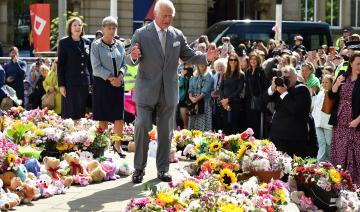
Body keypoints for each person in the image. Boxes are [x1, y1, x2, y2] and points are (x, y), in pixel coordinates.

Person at [126, 0, 218, 183]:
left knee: (166, 131)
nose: (168, 19)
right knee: (142, 125)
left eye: (170, 16)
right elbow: (129, 59)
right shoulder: (141, 34)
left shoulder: (177, 35)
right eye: (165, 16)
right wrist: (133, 56)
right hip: (146, 90)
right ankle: (139, 168)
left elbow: (190, 56)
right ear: (155, 15)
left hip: (168, 90)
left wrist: (205, 58)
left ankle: (162, 170)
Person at [91, 16, 127, 158]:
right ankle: (104, 145)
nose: (111, 31)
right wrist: (111, 78)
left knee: (119, 117)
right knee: (103, 116)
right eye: (109, 28)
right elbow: (96, 67)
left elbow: (124, 64)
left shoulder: (120, 45)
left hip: (118, 84)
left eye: (114, 28)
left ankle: (117, 145)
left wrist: (120, 77)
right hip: (102, 84)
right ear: (103, 28)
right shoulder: (96, 45)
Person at [329, 51, 360, 184]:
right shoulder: (343, 77)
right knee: (340, 151)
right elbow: (332, 95)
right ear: (351, 64)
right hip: (340, 121)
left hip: (355, 122)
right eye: (358, 63)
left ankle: (354, 184)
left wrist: (358, 120)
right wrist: (336, 84)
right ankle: (339, 181)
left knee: (354, 154)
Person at [268, 66, 312, 157]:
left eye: (287, 77)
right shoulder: (281, 88)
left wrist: (284, 93)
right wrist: (272, 89)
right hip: (278, 136)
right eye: (283, 77)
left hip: (293, 139)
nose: (285, 80)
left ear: (295, 76)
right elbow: (265, 101)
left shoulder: (302, 89)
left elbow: (294, 109)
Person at [57, 17, 92, 120]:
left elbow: (89, 63)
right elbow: (61, 65)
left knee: (81, 111)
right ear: (70, 28)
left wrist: (91, 82)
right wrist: (62, 84)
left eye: (79, 25)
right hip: (70, 83)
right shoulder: (64, 42)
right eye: (75, 25)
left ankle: (79, 135)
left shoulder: (87, 42)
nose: (77, 27)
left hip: (84, 82)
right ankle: (69, 135)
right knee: (70, 111)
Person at [244, 52, 269, 138]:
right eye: (251, 59)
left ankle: (257, 139)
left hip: (258, 101)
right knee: (249, 121)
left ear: (258, 61)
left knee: (257, 122)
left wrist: (261, 97)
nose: (253, 61)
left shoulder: (261, 71)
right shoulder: (248, 71)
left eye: (255, 59)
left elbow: (265, 86)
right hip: (248, 101)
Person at [219, 53, 245, 134]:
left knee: (234, 124)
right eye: (231, 60)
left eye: (235, 60)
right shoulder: (225, 74)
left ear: (237, 61)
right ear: (228, 61)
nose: (233, 62)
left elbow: (239, 89)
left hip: (235, 102)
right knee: (225, 124)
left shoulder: (241, 74)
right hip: (224, 103)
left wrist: (228, 99)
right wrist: (223, 100)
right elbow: (221, 88)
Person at [312, 74, 334, 162]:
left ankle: (330, 163)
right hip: (318, 123)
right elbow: (316, 108)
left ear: (332, 83)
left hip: (328, 124)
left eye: (327, 82)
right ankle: (320, 163)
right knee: (321, 143)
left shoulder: (334, 94)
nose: (324, 84)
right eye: (323, 82)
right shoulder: (320, 93)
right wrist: (315, 119)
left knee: (329, 143)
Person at [188, 64, 213, 131]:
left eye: (203, 63)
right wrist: (191, 97)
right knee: (193, 122)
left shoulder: (208, 75)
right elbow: (190, 88)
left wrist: (196, 99)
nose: (201, 65)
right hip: (193, 101)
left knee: (203, 122)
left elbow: (205, 90)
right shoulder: (194, 75)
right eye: (200, 63)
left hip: (204, 102)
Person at [211, 58, 226, 131]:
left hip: (224, 100)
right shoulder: (215, 76)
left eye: (222, 66)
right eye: (218, 66)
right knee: (216, 117)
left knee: (224, 118)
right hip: (216, 101)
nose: (220, 68)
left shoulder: (227, 75)